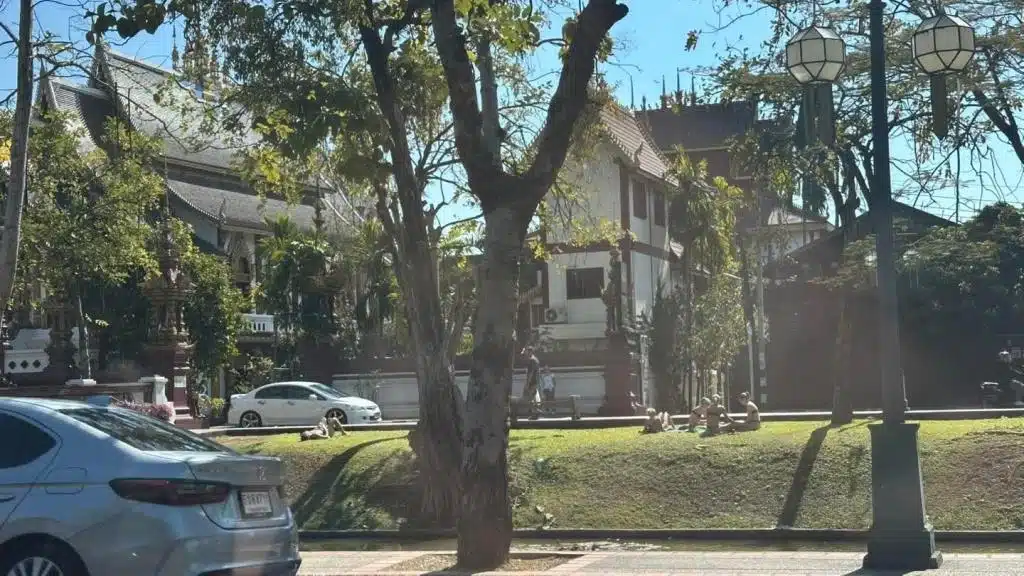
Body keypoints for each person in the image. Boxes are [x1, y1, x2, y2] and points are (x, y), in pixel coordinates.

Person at [521, 346, 542, 417]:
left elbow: (531, 373)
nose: (526, 353)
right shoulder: (536, 360)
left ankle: (535, 412)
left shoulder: (532, 360)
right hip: (535, 381)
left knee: (530, 397)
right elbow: (538, 372)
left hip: (532, 381)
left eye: (527, 352)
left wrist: (527, 383)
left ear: (530, 352)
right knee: (533, 397)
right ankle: (535, 412)